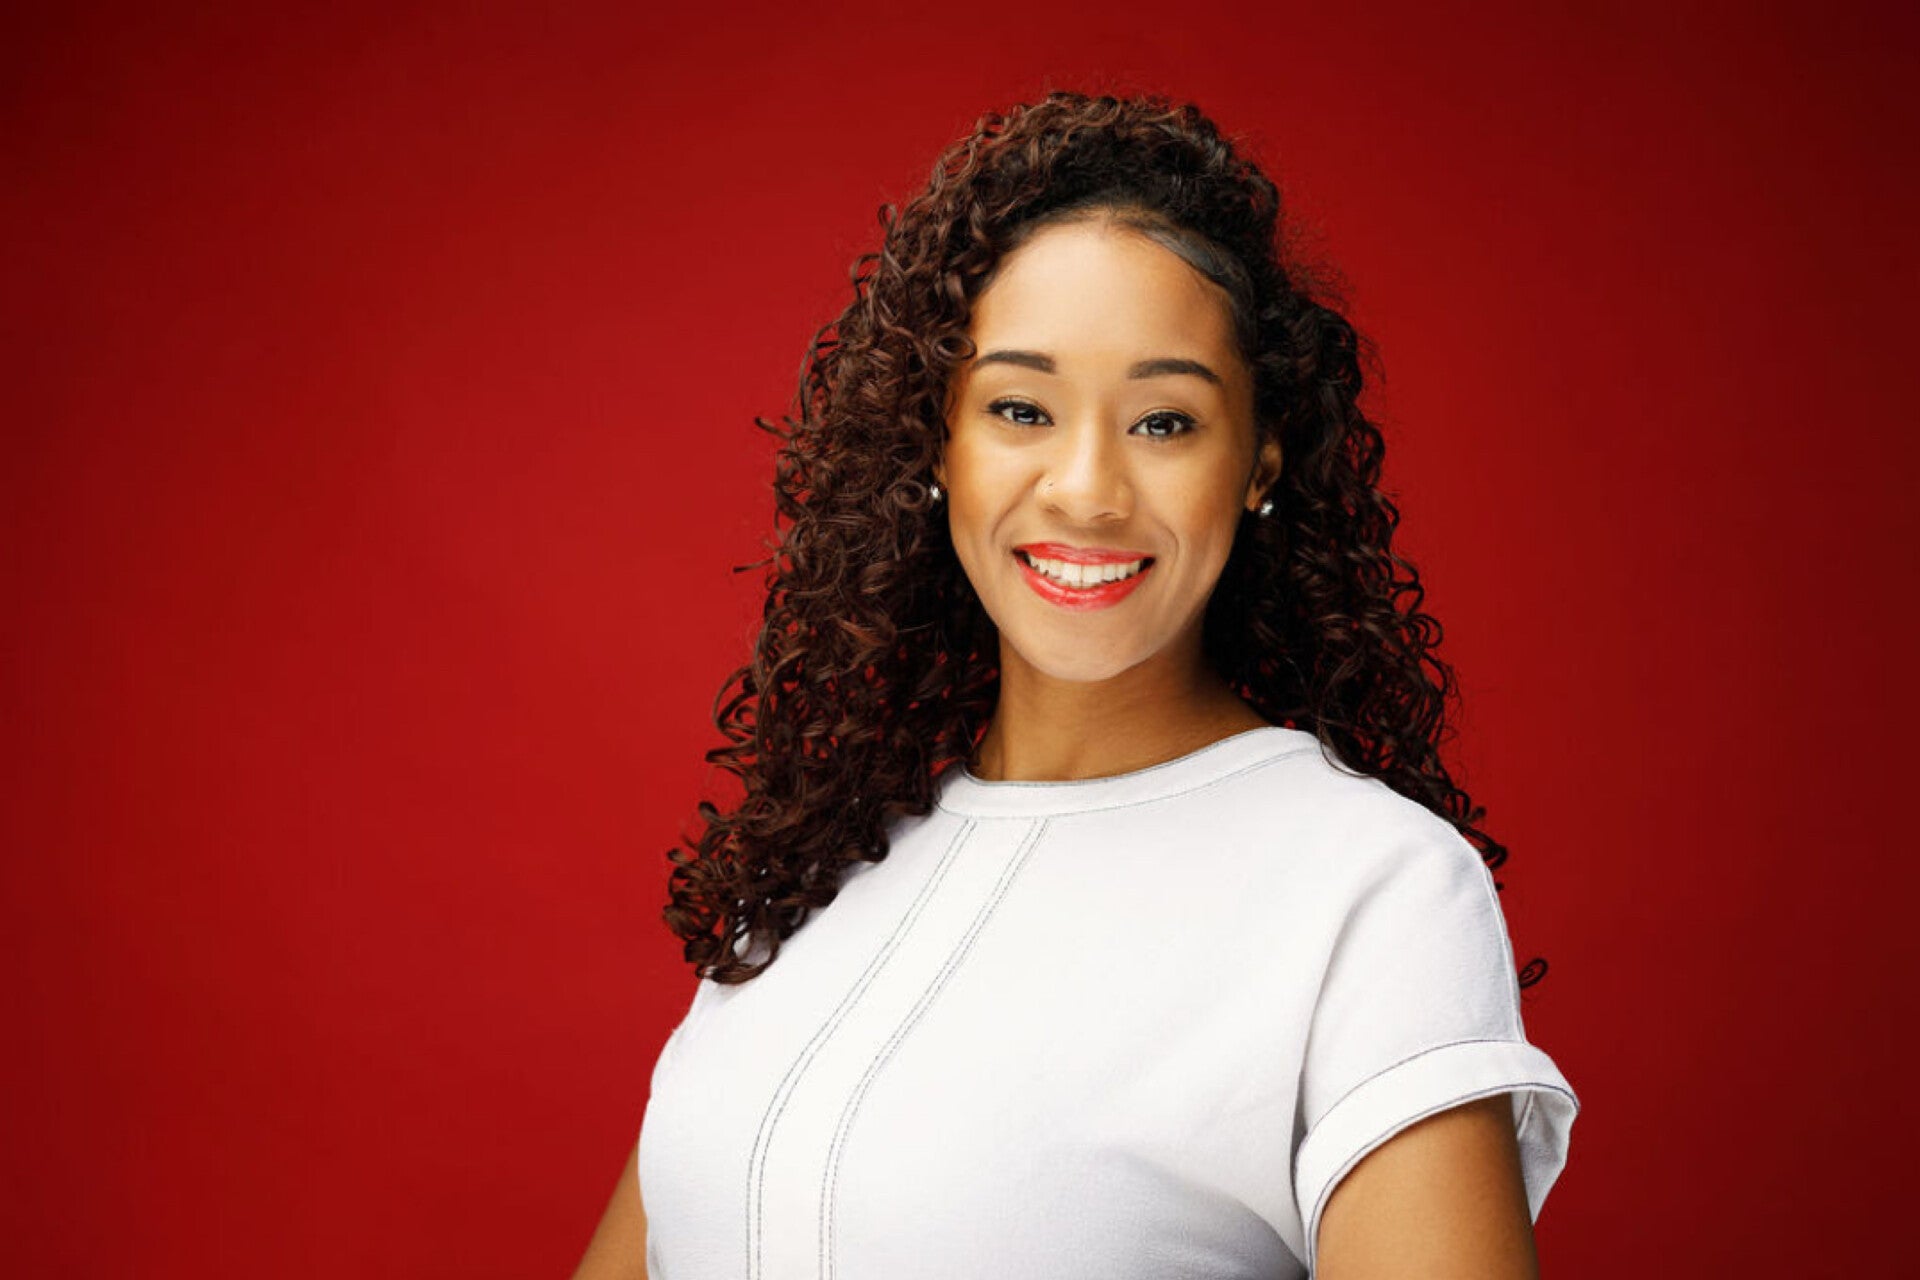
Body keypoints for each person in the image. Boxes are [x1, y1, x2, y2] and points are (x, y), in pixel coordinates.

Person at [574, 91, 1578, 1279]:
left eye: (1164, 421)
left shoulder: (1371, 888)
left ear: (1256, 464)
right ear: (937, 443)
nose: (1088, 488)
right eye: (1021, 409)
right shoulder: (820, 871)